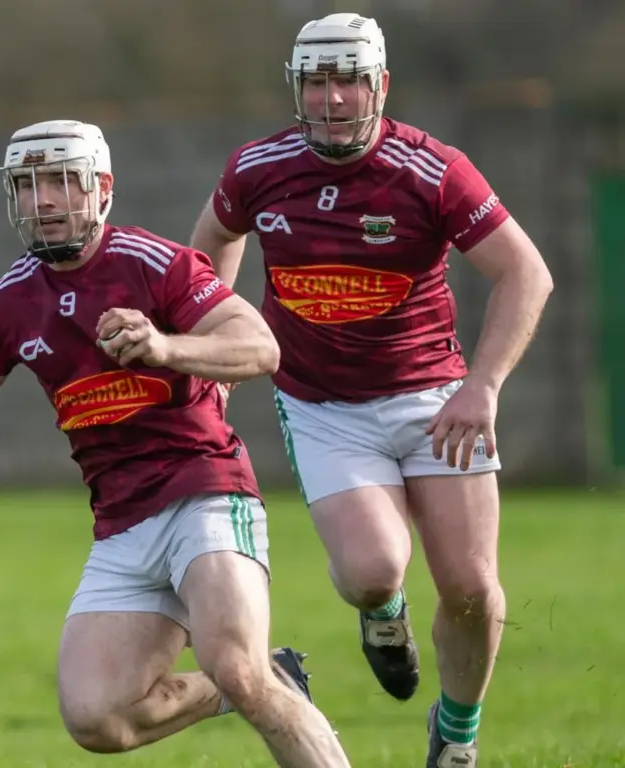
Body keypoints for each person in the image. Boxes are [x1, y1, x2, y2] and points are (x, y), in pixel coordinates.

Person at [189, 13, 554, 767]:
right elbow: (212, 245)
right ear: (296, 88)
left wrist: (482, 386)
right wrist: (214, 351)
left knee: (471, 587)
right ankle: (383, 611)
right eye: (315, 82)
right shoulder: (258, 168)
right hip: (322, 406)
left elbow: (526, 273)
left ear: (379, 85)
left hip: (435, 400)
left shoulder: (433, 171)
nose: (331, 98)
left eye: (348, 81)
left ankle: (456, 735)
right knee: (370, 571)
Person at [0, 119, 353, 767]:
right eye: (28, 186)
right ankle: (265, 680)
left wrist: (164, 347)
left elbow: (260, 347)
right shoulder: (8, 300)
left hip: (205, 495)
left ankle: (253, 680)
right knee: (97, 717)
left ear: (101, 188)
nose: (43, 200)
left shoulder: (155, 263)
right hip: (121, 525)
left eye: (61, 182)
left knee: (237, 665)